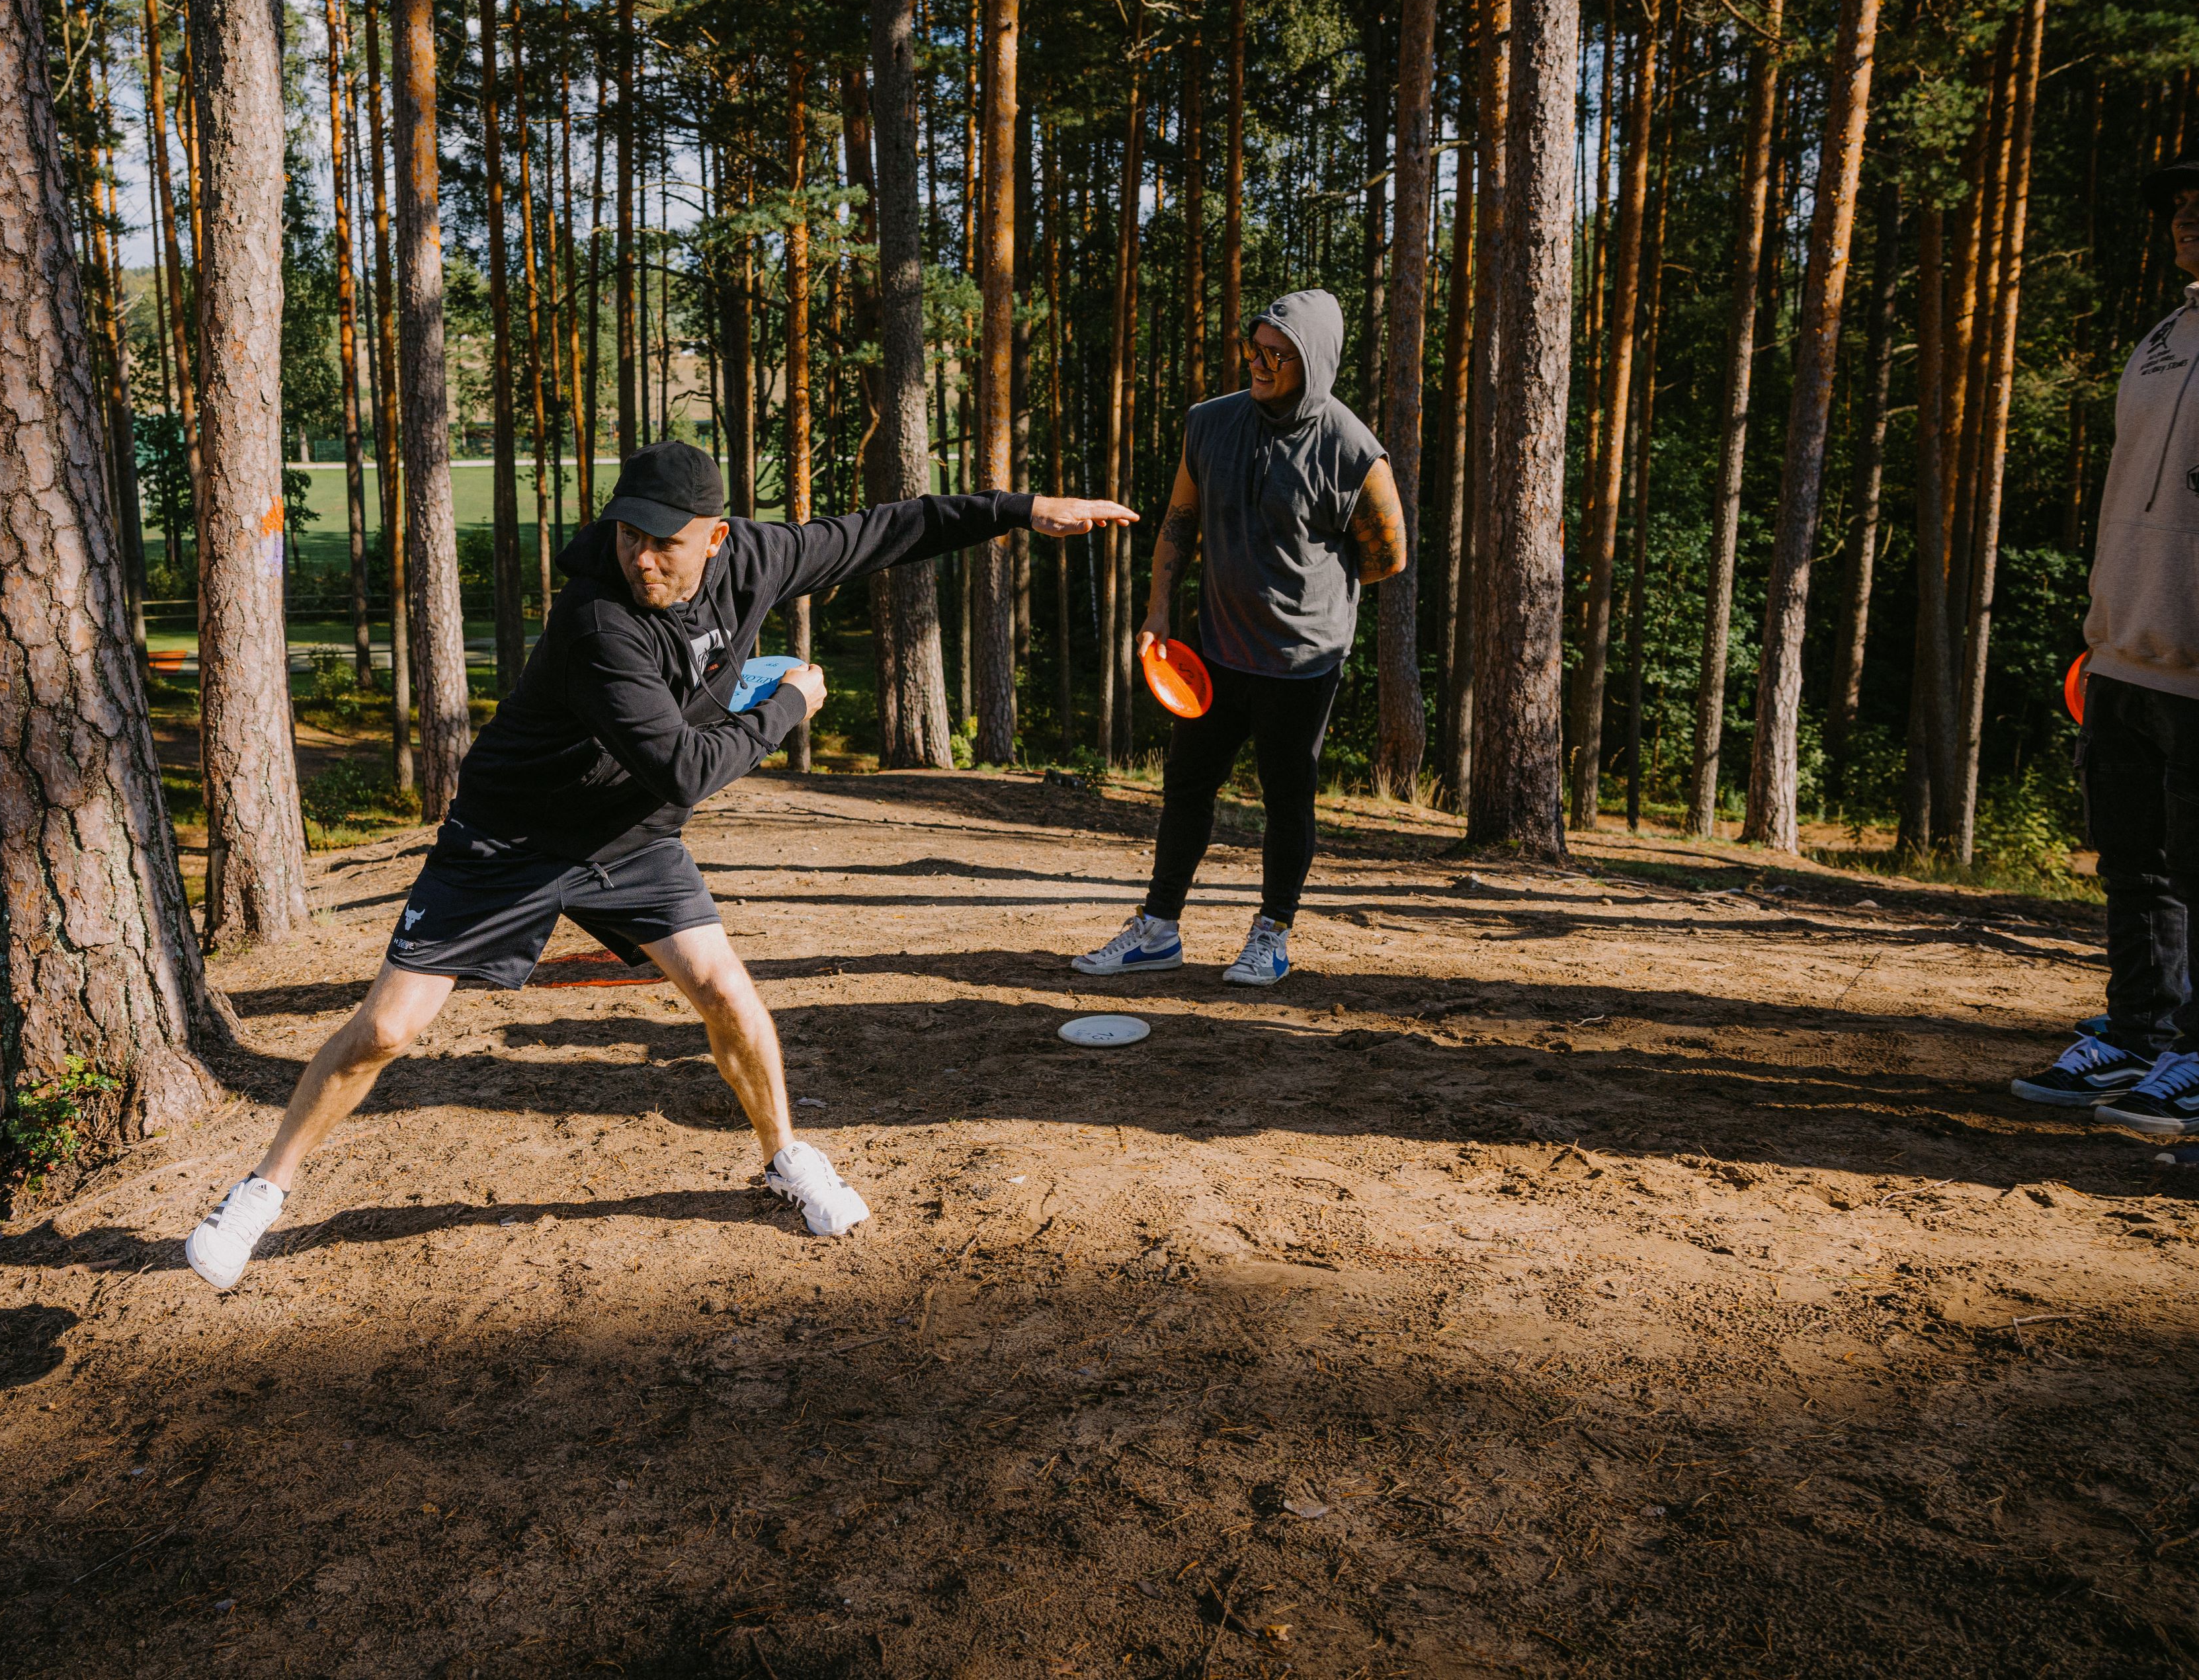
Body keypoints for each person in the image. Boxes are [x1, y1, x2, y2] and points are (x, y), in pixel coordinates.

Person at [187, 440, 1138, 1289]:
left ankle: (783, 1158)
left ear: (716, 537)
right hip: (510, 837)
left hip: (629, 837)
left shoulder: (759, 558)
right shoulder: (598, 624)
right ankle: (262, 1191)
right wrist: (788, 706)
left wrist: (1016, 511)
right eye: (628, 535)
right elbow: (687, 767)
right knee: (388, 1030)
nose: (641, 556)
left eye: (664, 542)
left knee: (727, 991)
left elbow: (889, 528)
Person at [1071, 290, 1405, 986]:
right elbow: (1179, 519)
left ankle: (1271, 933)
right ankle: (1158, 929)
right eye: (1253, 348)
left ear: (1311, 362)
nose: (1258, 363)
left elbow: (1387, 555)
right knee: (1187, 785)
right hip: (1214, 647)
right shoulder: (1210, 423)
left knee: (1288, 798)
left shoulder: (1351, 449)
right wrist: (1159, 610)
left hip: (1301, 662)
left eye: (1276, 354)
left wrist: (1312, 597)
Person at [2011, 160, 2199, 1136]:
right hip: (2125, 650)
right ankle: (2142, 1031)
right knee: (2136, 864)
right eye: (2176, 205)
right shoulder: (2163, 339)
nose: (2185, 217)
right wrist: (2101, 627)